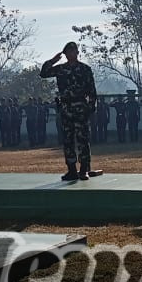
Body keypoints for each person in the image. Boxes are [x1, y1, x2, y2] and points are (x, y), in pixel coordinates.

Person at [42, 41, 98, 181]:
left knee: (83, 139)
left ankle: (83, 170)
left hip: (80, 107)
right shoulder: (61, 69)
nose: (71, 54)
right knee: (67, 140)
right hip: (66, 108)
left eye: (73, 51)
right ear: (65, 54)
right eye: (68, 52)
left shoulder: (85, 69)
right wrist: (53, 61)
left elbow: (92, 90)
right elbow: (43, 73)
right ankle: (71, 170)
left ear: (77, 53)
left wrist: (91, 107)